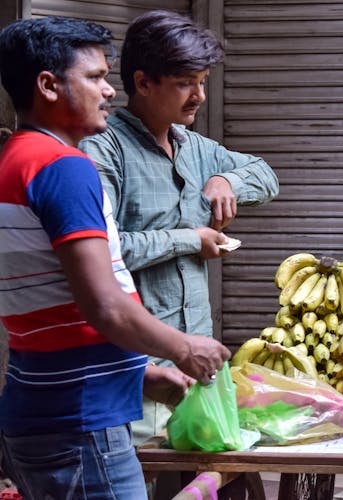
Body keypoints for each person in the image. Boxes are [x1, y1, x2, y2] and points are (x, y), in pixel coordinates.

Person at [0, 16, 231, 499]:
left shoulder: (15, 160)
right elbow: (102, 306)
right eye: (95, 77)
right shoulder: (64, 167)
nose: (109, 91)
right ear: (47, 85)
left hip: (42, 409)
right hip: (80, 423)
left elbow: (52, 312)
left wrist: (141, 376)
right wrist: (184, 347)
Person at [79, 9, 279, 445]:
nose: (200, 96)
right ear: (144, 83)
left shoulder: (194, 146)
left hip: (198, 365)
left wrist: (228, 179)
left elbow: (266, 176)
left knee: (199, 484)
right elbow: (101, 251)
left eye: (203, 81)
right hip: (140, 374)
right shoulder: (103, 149)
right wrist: (191, 239)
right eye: (186, 83)